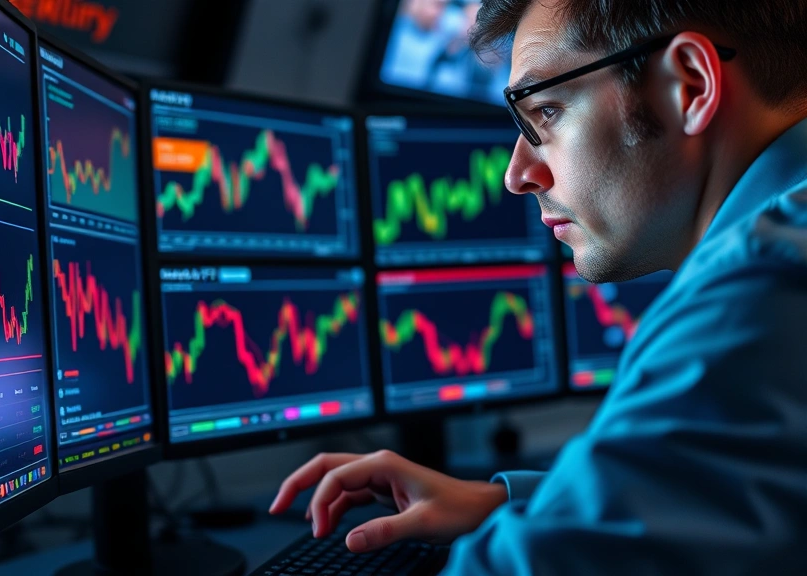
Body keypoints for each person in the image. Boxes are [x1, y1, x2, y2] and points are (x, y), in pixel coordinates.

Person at [270, 0, 807, 573]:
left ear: (690, 85)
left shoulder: (761, 288)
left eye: (545, 113)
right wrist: (513, 502)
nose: (516, 175)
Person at [379, 0, 455, 89]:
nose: (441, 14)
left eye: (445, 7)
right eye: (437, 6)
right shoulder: (394, 35)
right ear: (415, 3)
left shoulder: (444, 41)